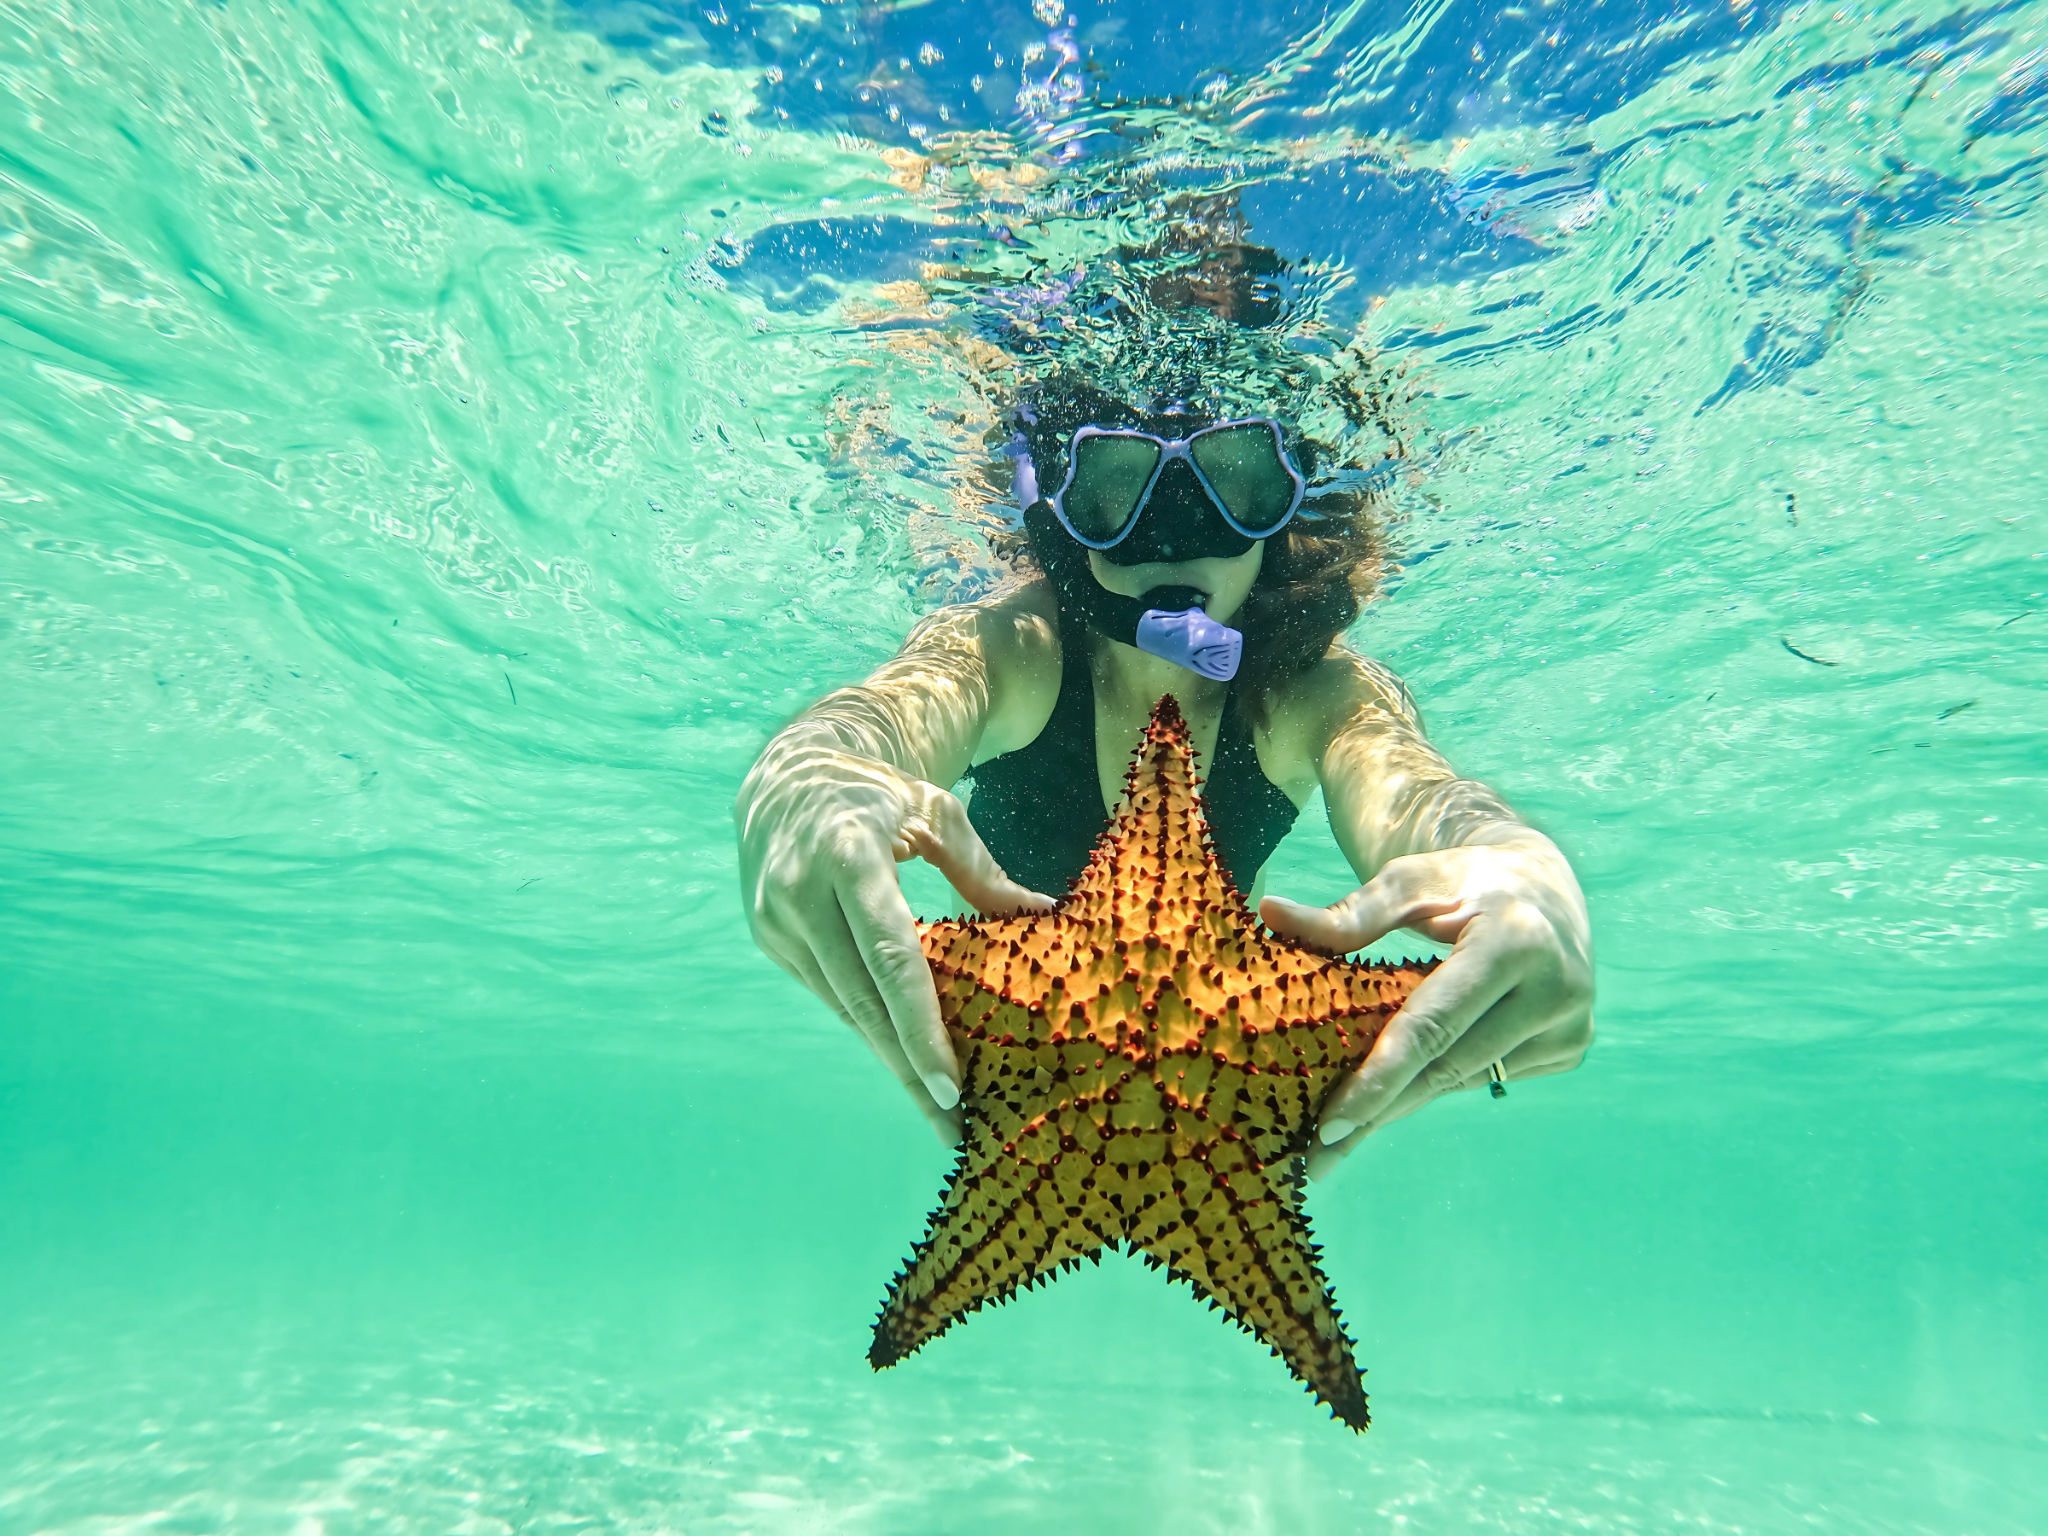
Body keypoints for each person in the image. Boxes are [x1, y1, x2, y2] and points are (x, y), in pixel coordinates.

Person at [735, 308, 1592, 1183]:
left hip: (1195, 1056)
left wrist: (1520, 870)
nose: (1174, 531)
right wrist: (807, 783)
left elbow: (1409, 784)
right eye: (1115, 490)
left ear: (1281, 512)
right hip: (1041, 1064)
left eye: (1233, 481)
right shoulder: (1017, 653)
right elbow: (871, 723)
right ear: (1061, 521)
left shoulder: (1314, 696)